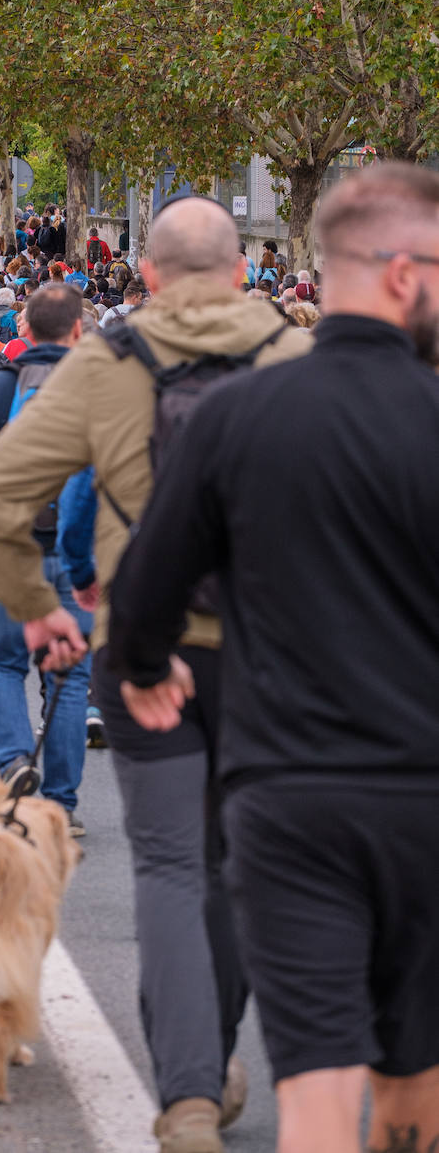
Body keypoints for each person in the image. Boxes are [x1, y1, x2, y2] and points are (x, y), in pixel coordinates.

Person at [0, 196, 310, 1152]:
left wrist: (37, 612)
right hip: (276, 655)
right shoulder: (300, 359)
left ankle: (190, 1093)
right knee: (240, 862)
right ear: (243, 269)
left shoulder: (103, 367)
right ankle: (217, 1060)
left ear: (146, 276)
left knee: (166, 862)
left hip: (142, 643)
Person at [107, 163, 439, 1153]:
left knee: (318, 1085)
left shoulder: (238, 420)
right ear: (400, 273)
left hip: (287, 797)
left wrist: (143, 665)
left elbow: (144, 593)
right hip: (426, 797)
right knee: (414, 1079)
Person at [0, 284, 92, 836]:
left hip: (13, 551)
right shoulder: (99, 394)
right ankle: (61, 804)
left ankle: (13, 763)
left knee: (5, 662)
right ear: (79, 332)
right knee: (69, 674)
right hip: (77, 556)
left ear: (24, 332)